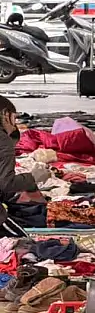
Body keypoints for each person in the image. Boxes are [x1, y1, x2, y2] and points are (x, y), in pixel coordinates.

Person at [0, 95, 42, 236]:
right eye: (14, 118)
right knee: (24, 241)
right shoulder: (3, 140)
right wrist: (31, 179)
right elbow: (6, 183)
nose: (15, 124)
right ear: (5, 114)